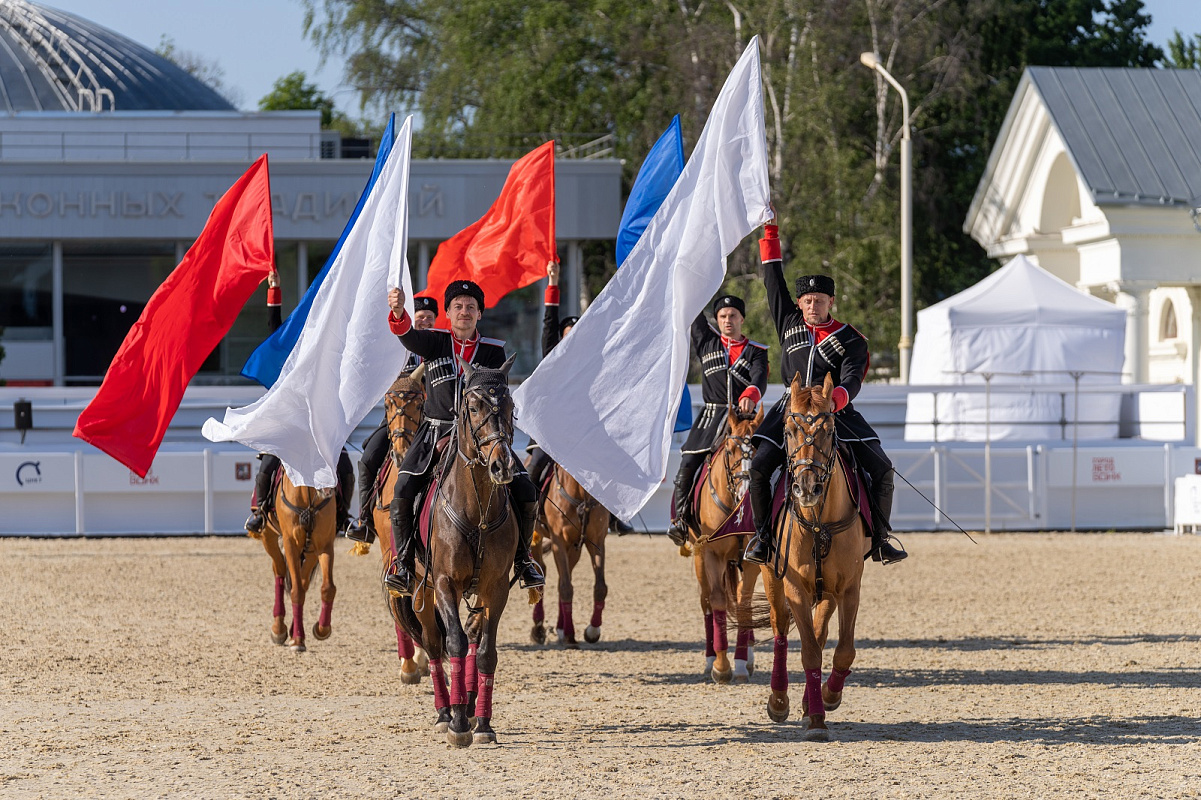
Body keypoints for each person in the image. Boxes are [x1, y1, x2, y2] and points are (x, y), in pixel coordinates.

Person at [742, 220, 906, 565]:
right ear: (799, 303)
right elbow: (773, 279)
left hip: (834, 409)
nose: (812, 305)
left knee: (883, 468)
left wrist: (836, 400)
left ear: (831, 301)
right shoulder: (788, 322)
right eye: (807, 300)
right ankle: (763, 538)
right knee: (758, 468)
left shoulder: (850, 338)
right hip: (791, 407)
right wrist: (770, 234)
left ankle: (879, 538)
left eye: (819, 300)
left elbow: (853, 378)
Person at [382, 279, 545, 596]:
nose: (464, 312)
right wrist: (399, 311)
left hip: (483, 438)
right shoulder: (434, 342)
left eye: (471, 307)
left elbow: (498, 399)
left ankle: (524, 560)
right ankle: (402, 565)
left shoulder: (494, 352)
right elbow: (406, 335)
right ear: (448, 313)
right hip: (435, 433)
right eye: (458, 306)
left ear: (480, 314)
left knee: (526, 489)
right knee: (403, 487)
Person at [524, 260, 635, 534]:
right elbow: (549, 324)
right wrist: (552, 284)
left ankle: (613, 516)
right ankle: (525, 518)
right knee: (533, 469)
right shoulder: (553, 358)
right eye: (567, 337)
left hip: (583, 432)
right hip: (550, 433)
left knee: (610, 462)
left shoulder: (591, 364)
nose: (571, 341)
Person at [244, 269, 354, 537]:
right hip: (289, 423)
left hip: (319, 426)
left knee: (346, 467)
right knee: (267, 466)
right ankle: (260, 511)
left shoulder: (326, 351)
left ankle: (344, 515)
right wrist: (274, 291)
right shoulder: (289, 351)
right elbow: (274, 326)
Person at [665, 294, 769, 546]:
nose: (727, 320)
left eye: (733, 315)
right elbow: (692, 308)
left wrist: (750, 395)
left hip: (744, 420)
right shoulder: (706, 341)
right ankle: (680, 520)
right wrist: (689, 277)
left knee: (771, 462)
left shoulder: (756, 351)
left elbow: (759, 379)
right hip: (711, 418)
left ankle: (770, 525)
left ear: (742, 319)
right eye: (722, 316)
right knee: (688, 463)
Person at [345, 295, 438, 544]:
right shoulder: (398, 349)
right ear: (413, 321)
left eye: (430, 318)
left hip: (435, 420)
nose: (426, 322)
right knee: (367, 459)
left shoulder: (442, 346)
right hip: (398, 419)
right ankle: (365, 520)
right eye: (421, 318)